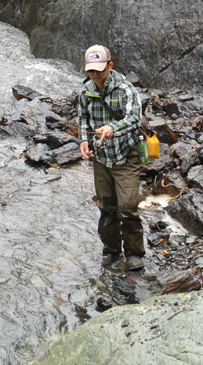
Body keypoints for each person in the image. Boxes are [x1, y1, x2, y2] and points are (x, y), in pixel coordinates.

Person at [77, 45, 145, 272]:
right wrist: (84, 140)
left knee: (127, 207)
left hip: (126, 156)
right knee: (106, 207)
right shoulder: (85, 91)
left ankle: (134, 254)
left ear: (109, 66)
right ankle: (111, 250)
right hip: (101, 159)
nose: (95, 75)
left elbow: (135, 118)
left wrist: (112, 128)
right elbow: (83, 119)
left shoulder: (126, 89)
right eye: (90, 71)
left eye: (99, 69)